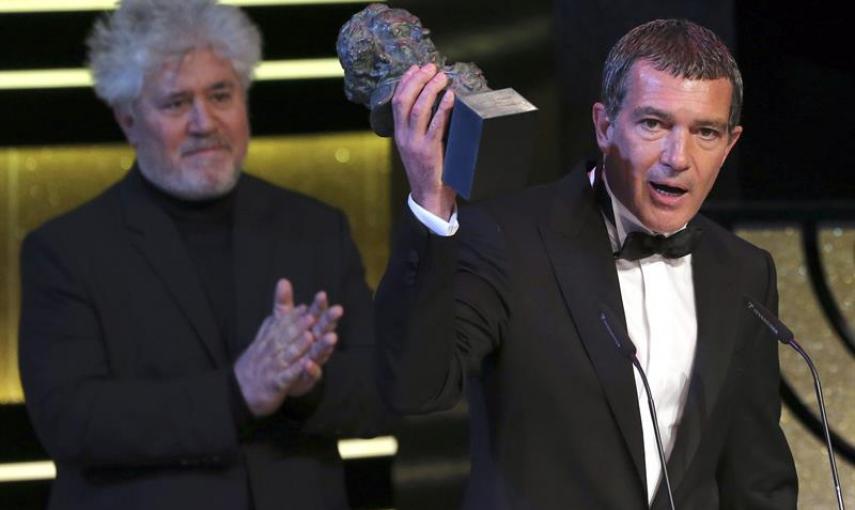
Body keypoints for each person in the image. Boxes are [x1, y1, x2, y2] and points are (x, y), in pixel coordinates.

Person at [375, 18, 798, 509]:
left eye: (705, 131)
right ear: (603, 126)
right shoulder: (509, 239)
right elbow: (414, 388)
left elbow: (756, 476)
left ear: (729, 145)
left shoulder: (745, 272)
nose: (678, 157)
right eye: (653, 123)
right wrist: (430, 201)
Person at [18, 1, 387, 509]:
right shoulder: (63, 250)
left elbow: (379, 394)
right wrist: (238, 393)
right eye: (174, 103)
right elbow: (72, 421)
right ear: (127, 119)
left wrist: (308, 387)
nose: (204, 122)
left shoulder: (315, 227)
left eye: (221, 95)